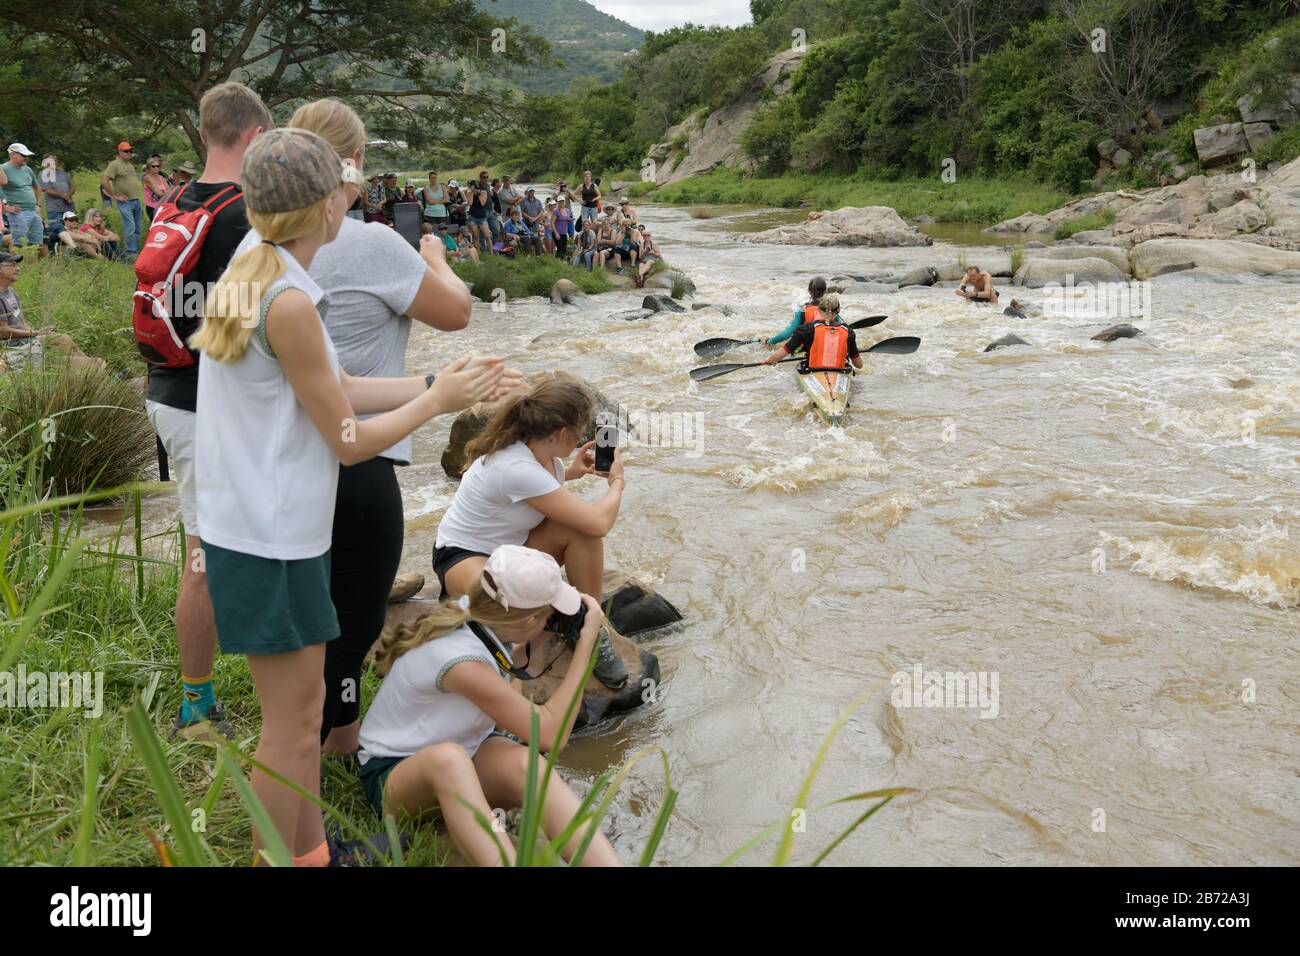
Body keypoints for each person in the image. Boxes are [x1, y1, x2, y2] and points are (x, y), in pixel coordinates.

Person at [191, 126, 511, 867]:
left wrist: (439, 383)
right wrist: (436, 407)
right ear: (328, 206)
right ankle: (285, 858)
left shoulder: (254, 266)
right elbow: (346, 436)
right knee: (292, 727)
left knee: (299, 718)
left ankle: (310, 851)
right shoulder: (291, 301)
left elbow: (334, 389)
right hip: (273, 539)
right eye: (345, 185)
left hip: (253, 526)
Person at [357, 545, 620, 866]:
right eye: (549, 615)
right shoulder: (461, 660)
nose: (554, 621)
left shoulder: (478, 615)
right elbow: (550, 735)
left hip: (465, 753)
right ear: (529, 619)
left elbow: (511, 716)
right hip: (394, 776)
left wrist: (524, 649)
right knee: (449, 761)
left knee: (529, 766)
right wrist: (586, 647)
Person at [145, 81, 273, 741]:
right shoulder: (244, 217)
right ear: (253, 138)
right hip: (210, 409)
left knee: (210, 551)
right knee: (206, 557)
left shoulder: (174, 200)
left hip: (166, 393)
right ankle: (196, 708)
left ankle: (217, 690)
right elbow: (245, 334)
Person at [432, 376, 629, 690]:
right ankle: (526, 640)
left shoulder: (538, 453)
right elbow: (600, 522)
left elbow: (544, 497)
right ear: (562, 433)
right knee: (518, 604)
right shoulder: (515, 465)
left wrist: (574, 470)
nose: (582, 438)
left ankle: (590, 626)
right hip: (464, 557)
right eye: (579, 432)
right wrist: (617, 482)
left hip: (513, 549)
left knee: (579, 532)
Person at [0, 251, 104, 372]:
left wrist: (35, 334)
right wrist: (35, 334)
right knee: (68, 345)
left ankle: (91, 370)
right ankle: (93, 370)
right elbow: (3, 331)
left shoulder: (11, 291)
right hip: (13, 347)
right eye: (12, 265)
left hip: (24, 340)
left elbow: (22, 321)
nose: (18, 268)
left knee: (64, 339)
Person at [760, 293, 864, 371]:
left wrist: (769, 361)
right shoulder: (848, 332)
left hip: (813, 371)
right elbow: (859, 365)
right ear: (838, 311)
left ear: (818, 310)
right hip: (839, 372)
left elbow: (783, 352)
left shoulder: (805, 330)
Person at [101, 141, 143, 257]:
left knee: (138, 228)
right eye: (126, 151)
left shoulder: (130, 165)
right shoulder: (114, 164)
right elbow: (104, 181)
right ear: (120, 152)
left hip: (136, 201)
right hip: (125, 202)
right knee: (131, 227)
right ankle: (130, 253)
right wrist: (115, 196)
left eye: (130, 151)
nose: (129, 153)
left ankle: (134, 251)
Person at [1, 143, 44, 251]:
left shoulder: (27, 169)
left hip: (33, 211)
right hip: (18, 212)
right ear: (12, 155)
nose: (26, 158)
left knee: (36, 245)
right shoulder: (3, 168)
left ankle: (33, 268)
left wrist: (38, 205)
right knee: (19, 244)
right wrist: (5, 207)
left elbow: (37, 188)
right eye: (23, 155)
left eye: (27, 156)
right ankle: (15, 266)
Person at [764, 276, 828, 347]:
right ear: (825, 291)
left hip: (809, 347)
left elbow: (787, 334)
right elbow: (842, 325)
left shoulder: (802, 310)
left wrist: (769, 341)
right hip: (826, 345)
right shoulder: (831, 310)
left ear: (808, 290)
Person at [38, 154, 76, 234]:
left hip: (68, 207)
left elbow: (72, 187)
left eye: (55, 160)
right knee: (58, 230)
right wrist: (63, 195)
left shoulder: (63, 173)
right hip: (55, 209)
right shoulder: (43, 174)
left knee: (71, 229)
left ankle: (71, 246)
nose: (54, 162)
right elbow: (48, 190)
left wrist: (68, 195)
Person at [466, 172, 492, 255]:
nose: (476, 188)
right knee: (476, 237)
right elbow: (469, 203)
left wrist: (479, 193)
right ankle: (478, 254)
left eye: (477, 186)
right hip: (473, 216)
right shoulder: (469, 192)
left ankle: (491, 253)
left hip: (482, 217)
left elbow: (482, 203)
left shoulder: (484, 192)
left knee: (487, 236)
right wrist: (472, 193)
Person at [143, 156, 172, 225]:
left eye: (157, 166)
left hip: (163, 207)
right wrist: (164, 192)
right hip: (152, 207)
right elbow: (159, 193)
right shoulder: (147, 178)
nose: (156, 168)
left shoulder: (162, 178)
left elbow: (170, 192)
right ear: (149, 167)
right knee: (156, 226)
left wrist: (164, 192)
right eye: (153, 166)